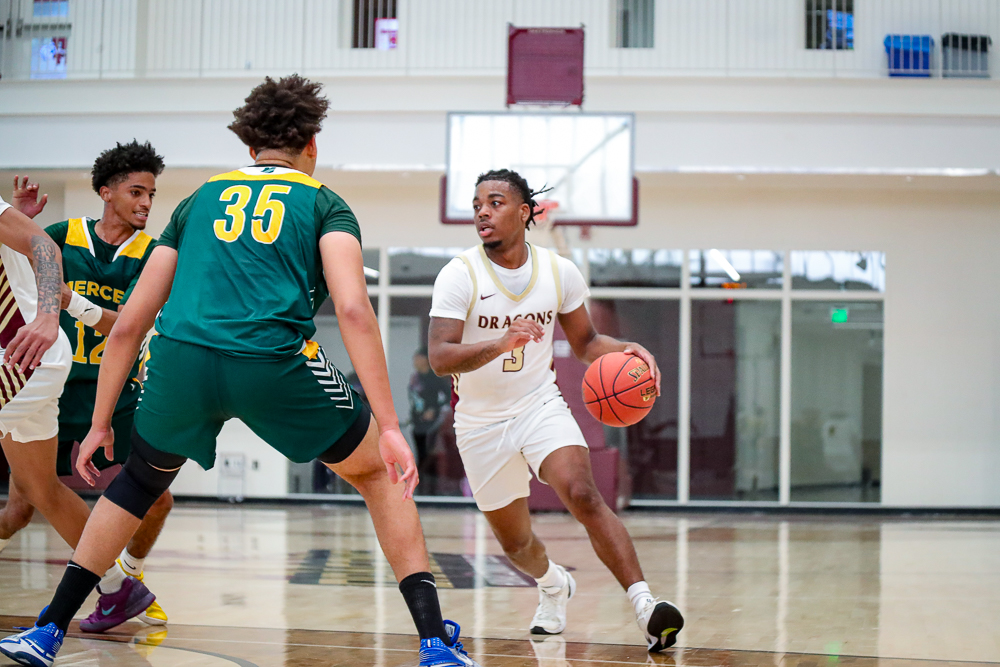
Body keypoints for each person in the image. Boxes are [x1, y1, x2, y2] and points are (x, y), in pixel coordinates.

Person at [0, 75, 478, 667]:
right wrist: (387, 423)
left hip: (181, 361)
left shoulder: (197, 199)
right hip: (272, 361)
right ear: (311, 144)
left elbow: (128, 325)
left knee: (135, 484)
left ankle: (46, 631)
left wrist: (100, 422)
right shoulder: (324, 202)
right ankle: (434, 641)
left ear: (249, 149)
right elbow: (353, 309)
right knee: (379, 476)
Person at [426, 169, 685, 652]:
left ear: (524, 212)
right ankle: (552, 584)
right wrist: (502, 341)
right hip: (479, 421)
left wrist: (625, 347)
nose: (482, 211)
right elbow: (440, 357)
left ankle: (647, 607)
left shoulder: (558, 271)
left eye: (495, 201)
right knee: (516, 545)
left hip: (538, 404)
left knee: (584, 494)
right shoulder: (459, 274)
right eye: (478, 203)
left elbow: (586, 343)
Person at [2, 142, 174, 631]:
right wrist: (21, 221)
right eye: (136, 191)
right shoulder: (60, 236)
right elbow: (26, 273)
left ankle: (125, 577)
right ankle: (118, 589)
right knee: (21, 507)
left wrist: (74, 305)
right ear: (106, 192)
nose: (145, 203)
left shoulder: (157, 254)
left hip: (111, 389)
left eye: (151, 194)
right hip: (50, 379)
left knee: (157, 497)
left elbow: (135, 326)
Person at [408, 347, 451, 471]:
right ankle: (421, 485)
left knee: (429, 457)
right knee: (419, 455)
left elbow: (449, 395)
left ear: (425, 360)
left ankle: (430, 487)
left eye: (417, 358)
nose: (414, 361)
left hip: (432, 425)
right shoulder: (415, 378)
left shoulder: (434, 379)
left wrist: (434, 409)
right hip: (417, 423)